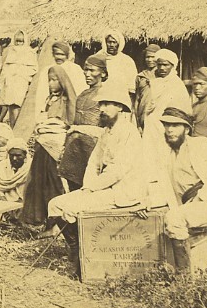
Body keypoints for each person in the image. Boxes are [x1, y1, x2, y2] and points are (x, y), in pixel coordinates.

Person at [47, 79, 147, 275]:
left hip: (124, 192)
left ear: (119, 107)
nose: (101, 109)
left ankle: (81, 255)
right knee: (55, 204)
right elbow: (93, 163)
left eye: (107, 104)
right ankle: (77, 248)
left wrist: (93, 188)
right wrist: (87, 186)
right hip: (105, 188)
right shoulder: (107, 132)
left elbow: (118, 170)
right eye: (100, 104)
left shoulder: (129, 133)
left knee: (70, 207)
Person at [140, 107, 207, 274]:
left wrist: (201, 196)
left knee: (174, 218)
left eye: (175, 125)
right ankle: (188, 276)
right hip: (193, 212)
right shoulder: (167, 156)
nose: (170, 130)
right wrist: (147, 202)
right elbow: (164, 190)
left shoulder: (201, 145)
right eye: (166, 125)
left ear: (186, 129)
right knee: (199, 273)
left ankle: (182, 274)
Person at [20, 64, 79, 231]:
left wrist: (52, 126)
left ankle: (57, 223)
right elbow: (41, 119)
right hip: (43, 144)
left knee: (54, 181)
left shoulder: (67, 101)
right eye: (49, 80)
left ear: (62, 81)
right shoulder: (48, 100)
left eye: (55, 80)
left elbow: (68, 123)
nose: (51, 84)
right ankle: (40, 219)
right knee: (38, 180)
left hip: (56, 145)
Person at [57, 54, 108, 192]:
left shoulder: (105, 94)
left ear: (103, 73)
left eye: (92, 70)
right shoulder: (83, 93)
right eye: (86, 70)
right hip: (75, 145)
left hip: (93, 146)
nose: (87, 74)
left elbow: (105, 126)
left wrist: (78, 129)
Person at [0, 30, 39, 126]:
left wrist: (22, 73)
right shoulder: (9, 51)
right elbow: (4, 67)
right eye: (17, 41)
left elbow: (34, 68)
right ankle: (12, 126)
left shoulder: (29, 52)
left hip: (21, 81)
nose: (19, 44)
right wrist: (2, 80)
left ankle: (18, 127)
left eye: (21, 41)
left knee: (18, 104)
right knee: (10, 105)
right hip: (10, 81)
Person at [142, 49, 191, 130]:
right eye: (159, 65)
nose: (162, 68)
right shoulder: (154, 82)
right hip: (152, 124)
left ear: (173, 66)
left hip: (169, 125)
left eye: (165, 65)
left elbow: (182, 109)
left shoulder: (177, 84)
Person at [32, 41, 86, 109]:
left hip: (71, 105)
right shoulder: (46, 70)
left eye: (62, 54)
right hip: (53, 105)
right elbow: (42, 92)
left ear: (67, 55)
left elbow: (81, 89)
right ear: (53, 54)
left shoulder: (75, 69)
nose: (59, 57)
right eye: (57, 54)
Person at [133, 43, 161, 130]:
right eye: (147, 57)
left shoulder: (162, 76)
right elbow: (137, 100)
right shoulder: (141, 76)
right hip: (142, 115)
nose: (149, 60)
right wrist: (137, 124)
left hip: (157, 116)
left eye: (153, 57)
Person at [101, 29, 138, 95]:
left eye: (114, 42)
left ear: (119, 44)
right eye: (109, 42)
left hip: (121, 96)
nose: (111, 45)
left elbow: (132, 84)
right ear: (105, 43)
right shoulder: (98, 58)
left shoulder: (127, 61)